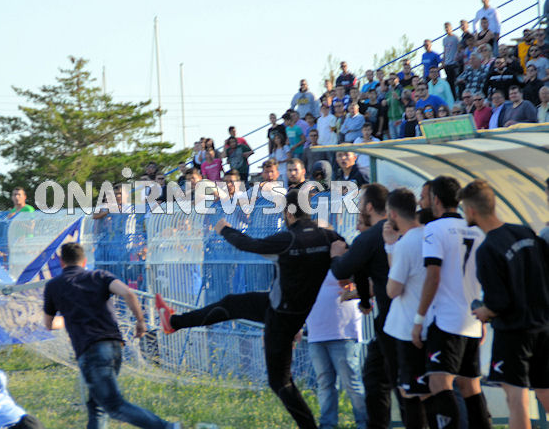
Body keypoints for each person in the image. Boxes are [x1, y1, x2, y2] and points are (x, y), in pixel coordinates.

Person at [155, 190, 344, 429]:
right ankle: (173, 322)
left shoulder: (288, 239)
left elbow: (248, 244)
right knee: (232, 303)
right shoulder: (329, 237)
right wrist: (364, 296)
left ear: (288, 213)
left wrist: (224, 228)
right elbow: (347, 259)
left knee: (280, 383)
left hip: (280, 316)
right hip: (292, 310)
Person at [43, 243, 180, 429]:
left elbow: (49, 324)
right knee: (96, 406)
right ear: (84, 261)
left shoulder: (53, 286)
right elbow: (127, 292)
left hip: (91, 351)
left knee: (114, 406)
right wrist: (140, 321)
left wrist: (69, 317)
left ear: (61, 262)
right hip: (114, 347)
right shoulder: (99, 276)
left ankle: (167, 427)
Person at [458, 180, 549, 429]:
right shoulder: (526, 233)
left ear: (471, 210)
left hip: (514, 333)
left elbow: (499, 302)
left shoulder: (488, 249)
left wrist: (483, 311)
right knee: (544, 390)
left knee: (516, 398)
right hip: (543, 326)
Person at [412, 176, 492, 429]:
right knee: (470, 386)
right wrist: (485, 319)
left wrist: (419, 319)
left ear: (436, 200)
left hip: (446, 319)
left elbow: (433, 275)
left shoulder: (434, 229)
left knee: (439, 383)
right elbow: (486, 276)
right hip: (472, 319)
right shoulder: (477, 229)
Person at [330, 184, 407, 429]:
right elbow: (363, 271)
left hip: (395, 321)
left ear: (370, 206)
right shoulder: (403, 231)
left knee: (402, 384)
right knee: (376, 376)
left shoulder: (372, 236)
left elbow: (342, 269)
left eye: (361, 202)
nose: (359, 209)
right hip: (397, 318)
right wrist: (364, 299)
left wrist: (336, 254)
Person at [381, 189, 431, 428]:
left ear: (392, 213)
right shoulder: (430, 235)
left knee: (411, 391)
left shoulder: (407, 243)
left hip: (409, 327)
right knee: (433, 389)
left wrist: (391, 246)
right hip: (432, 322)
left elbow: (393, 289)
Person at [306, 269, 368, 429]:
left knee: (352, 383)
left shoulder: (346, 261)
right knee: (325, 383)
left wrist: (349, 289)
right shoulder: (311, 262)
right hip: (316, 334)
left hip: (344, 334)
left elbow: (363, 286)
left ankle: (364, 423)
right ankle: (327, 424)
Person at [442, 22, 460, 97]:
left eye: (448, 27)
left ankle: (457, 96)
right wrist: (443, 61)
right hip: (447, 63)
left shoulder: (455, 38)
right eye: (445, 27)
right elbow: (445, 50)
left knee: (456, 81)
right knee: (449, 83)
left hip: (454, 63)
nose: (446, 29)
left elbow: (459, 48)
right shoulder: (444, 39)